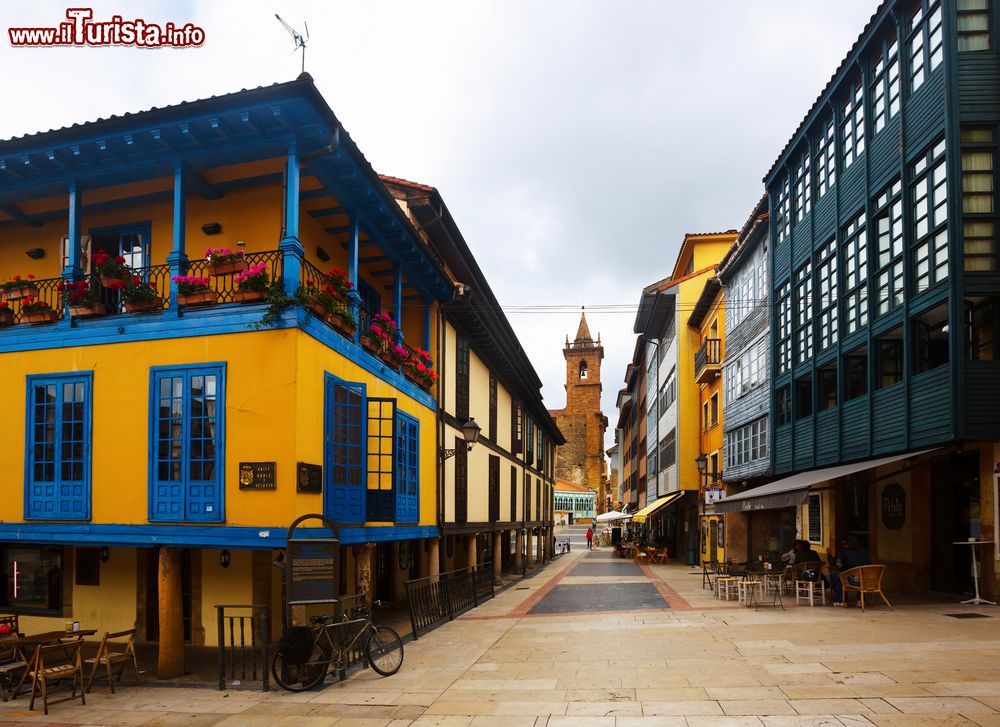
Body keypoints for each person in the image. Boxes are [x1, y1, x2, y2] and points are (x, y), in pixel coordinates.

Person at [826, 536, 872, 605]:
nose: (843, 546)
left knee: (834, 576)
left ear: (849, 544)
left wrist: (829, 555)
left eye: (845, 544)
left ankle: (842, 599)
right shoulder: (866, 552)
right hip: (868, 580)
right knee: (838, 576)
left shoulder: (845, 553)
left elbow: (839, 565)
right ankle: (860, 598)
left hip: (854, 580)